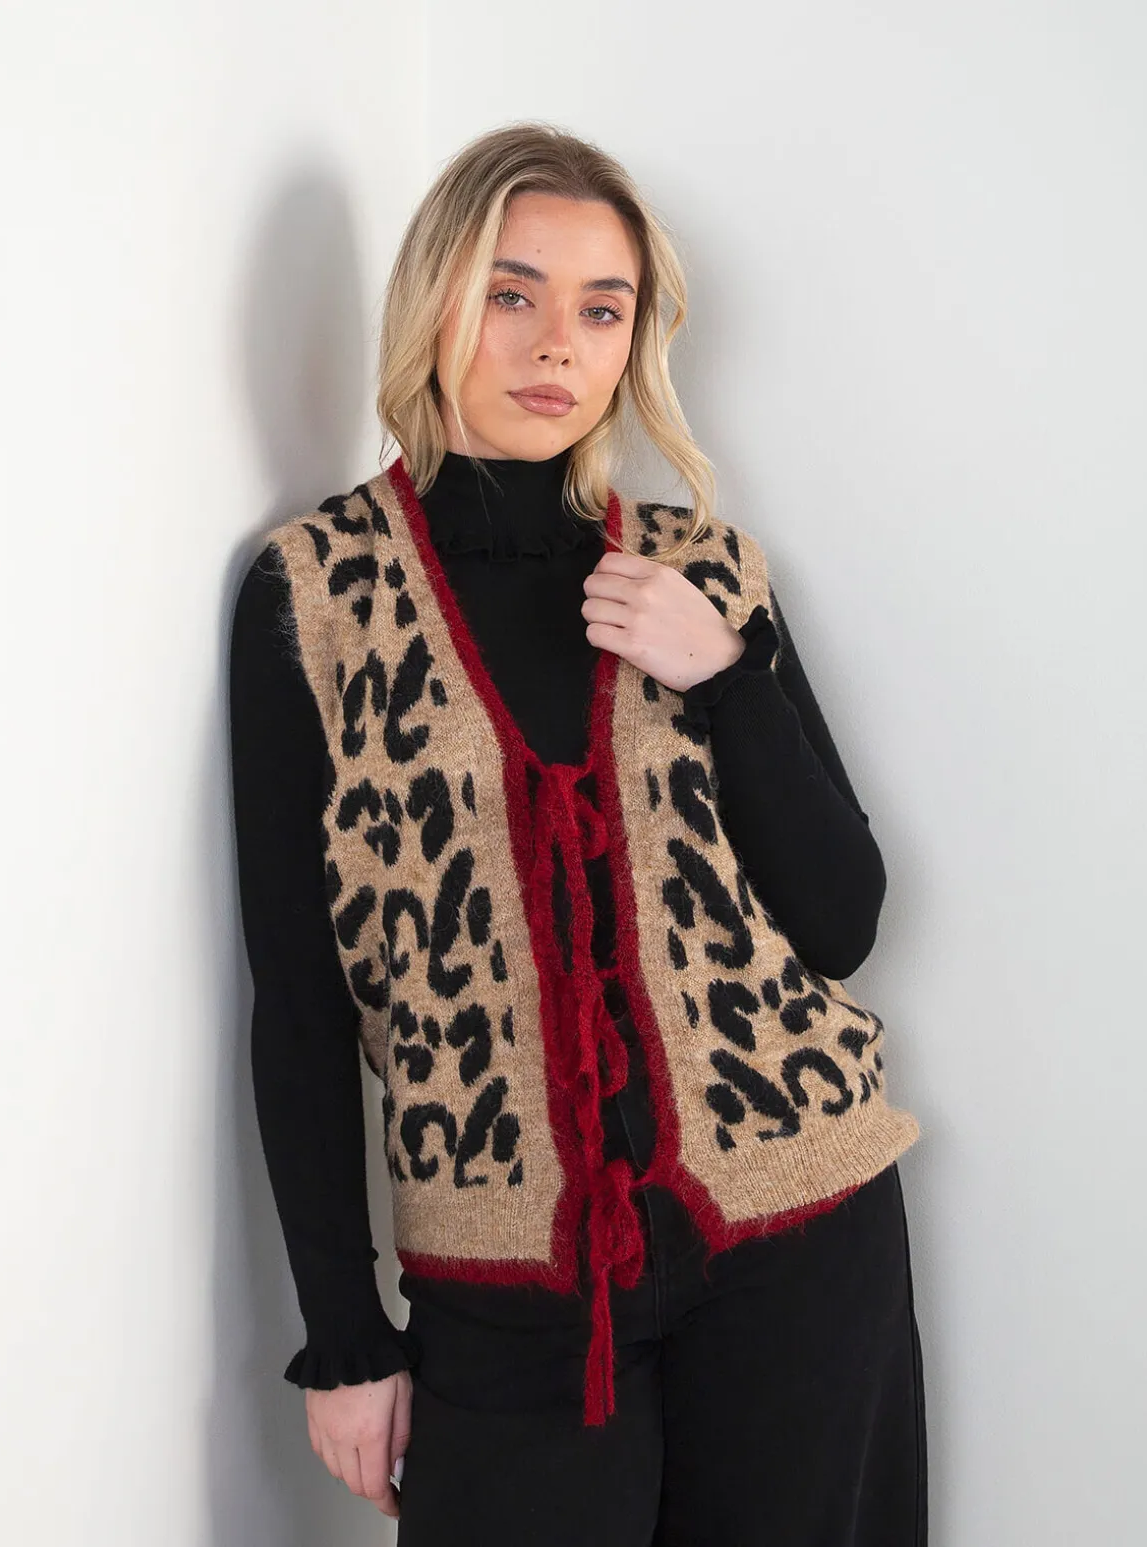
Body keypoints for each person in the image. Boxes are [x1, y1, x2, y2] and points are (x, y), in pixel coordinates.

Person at [229, 121, 927, 1545]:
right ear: (434, 300)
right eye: (513, 292)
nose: (557, 343)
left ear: (632, 343)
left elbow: (842, 918)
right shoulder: (318, 597)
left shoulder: (704, 571)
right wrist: (345, 1337)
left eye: (602, 309)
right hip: (507, 1298)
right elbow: (297, 997)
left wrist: (727, 675)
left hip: (796, 1241)